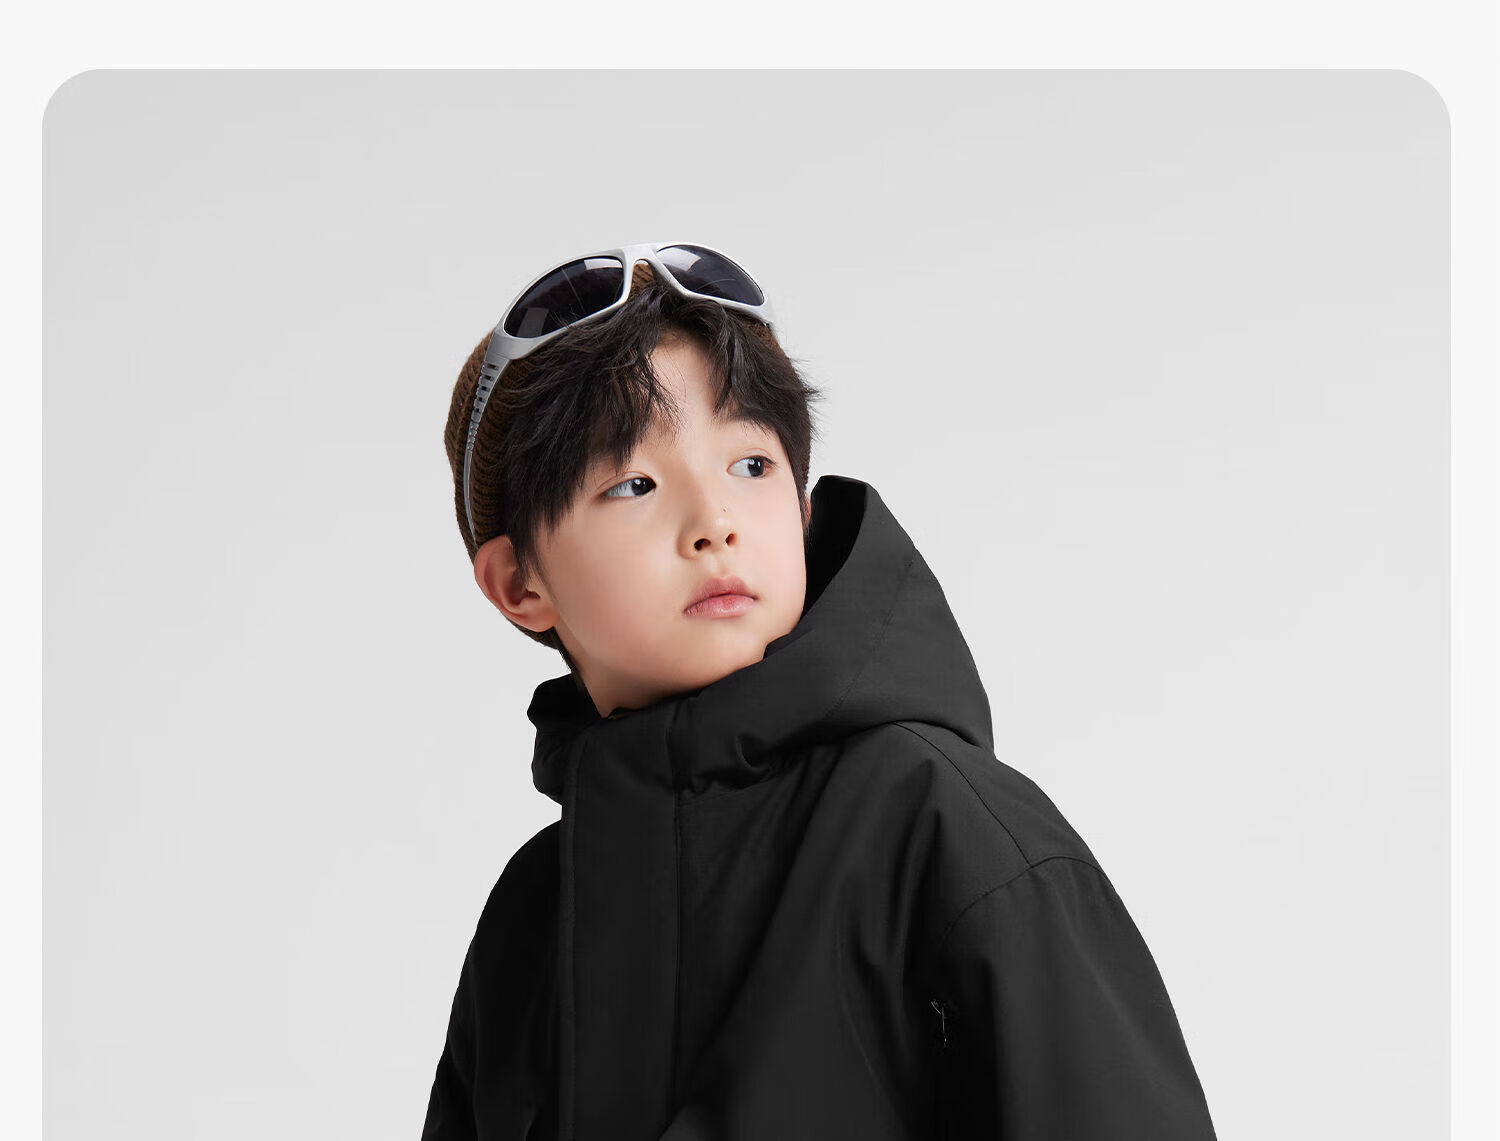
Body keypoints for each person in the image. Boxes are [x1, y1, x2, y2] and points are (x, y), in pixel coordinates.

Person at [422, 242, 1219, 1140]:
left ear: (802, 511)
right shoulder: (533, 915)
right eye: (635, 483)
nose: (714, 522)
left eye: (751, 466)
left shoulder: (942, 828)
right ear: (519, 583)